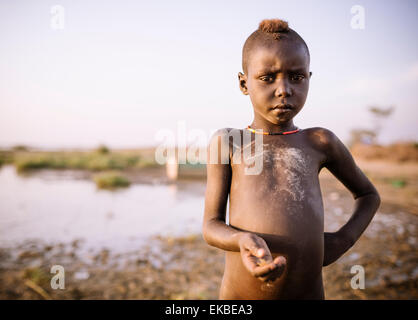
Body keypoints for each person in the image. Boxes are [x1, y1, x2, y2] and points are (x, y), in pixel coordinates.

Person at [202, 19, 380, 299]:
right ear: (243, 83)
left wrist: (342, 240)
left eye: (296, 77)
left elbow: (368, 194)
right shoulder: (229, 142)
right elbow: (211, 225)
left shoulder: (320, 142)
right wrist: (241, 239)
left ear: (309, 77)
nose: (284, 89)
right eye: (267, 77)